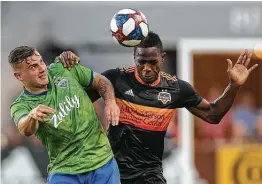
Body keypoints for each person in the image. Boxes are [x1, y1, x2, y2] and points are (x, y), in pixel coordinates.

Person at [60, 31, 258, 184]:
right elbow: (76, 103)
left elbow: (213, 115)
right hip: (112, 173)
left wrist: (234, 86)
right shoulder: (115, 79)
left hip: (150, 176)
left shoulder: (177, 89)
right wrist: (70, 70)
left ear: (162, 58)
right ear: (134, 58)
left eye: (152, 62)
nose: (146, 68)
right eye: (141, 62)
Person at [9, 46, 121, 184]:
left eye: (41, 62)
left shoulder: (63, 68)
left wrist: (110, 102)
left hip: (102, 163)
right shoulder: (21, 105)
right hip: (66, 171)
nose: (42, 68)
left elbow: (101, 81)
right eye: (33, 67)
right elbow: (24, 128)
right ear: (19, 76)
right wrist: (31, 117)